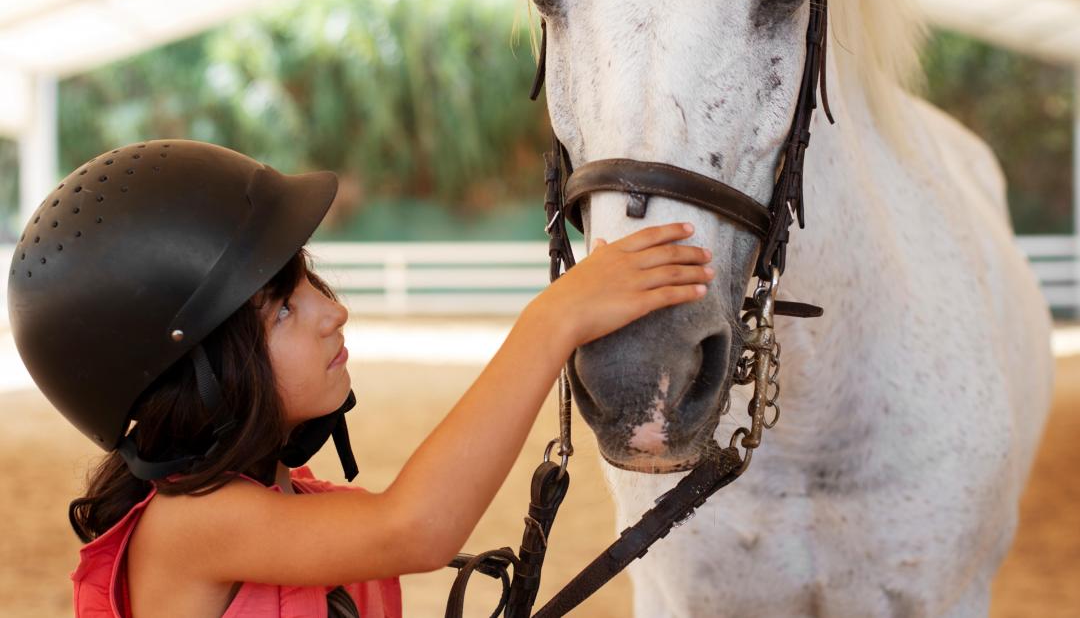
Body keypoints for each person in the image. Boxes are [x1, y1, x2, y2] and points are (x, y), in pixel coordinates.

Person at [8, 139, 715, 618]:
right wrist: (551, 322)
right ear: (194, 372)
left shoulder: (289, 502)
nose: (332, 310)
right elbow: (415, 527)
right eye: (283, 306)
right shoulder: (192, 523)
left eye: (309, 279)